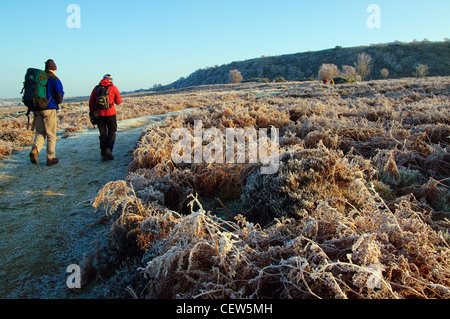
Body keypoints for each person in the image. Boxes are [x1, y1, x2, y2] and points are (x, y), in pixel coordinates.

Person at [29, 59, 64, 166]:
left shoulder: (39, 79)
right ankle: (50, 158)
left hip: (37, 109)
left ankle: (35, 149)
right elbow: (59, 94)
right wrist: (57, 102)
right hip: (49, 109)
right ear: (54, 69)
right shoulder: (54, 79)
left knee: (40, 132)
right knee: (51, 134)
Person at [89, 74, 122, 162]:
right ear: (110, 80)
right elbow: (119, 101)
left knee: (103, 134)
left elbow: (91, 102)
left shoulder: (96, 88)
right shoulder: (113, 88)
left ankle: (103, 154)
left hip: (99, 115)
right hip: (111, 113)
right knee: (112, 132)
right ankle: (109, 150)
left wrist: (92, 112)